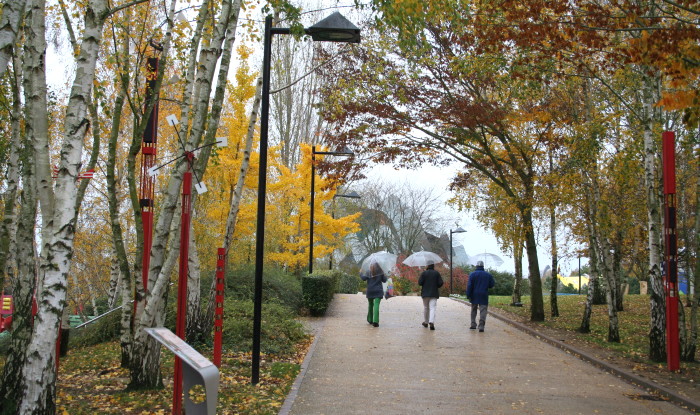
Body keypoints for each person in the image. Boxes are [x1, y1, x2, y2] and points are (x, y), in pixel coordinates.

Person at [466, 260, 496, 332]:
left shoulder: (472, 274)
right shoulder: (488, 275)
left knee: (473, 309)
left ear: (476, 266)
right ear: (483, 266)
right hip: (483, 294)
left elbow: (469, 286)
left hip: (474, 294)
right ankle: (481, 326)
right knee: (483, 310)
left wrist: (468, 294)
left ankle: (473, 324)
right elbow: (492, 285)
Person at [360, 262, 387, 327]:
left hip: (370, 290)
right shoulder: (381, 272)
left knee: (370, 304)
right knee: (376, 305)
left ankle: (370, 319)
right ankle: (375, 321)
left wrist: (360, 273)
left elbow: (363, 278)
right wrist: (385, 274)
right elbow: (384, 280)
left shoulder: (368, 272)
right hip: (378, 291)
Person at [418, 263, 444, 330]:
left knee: (426, 308)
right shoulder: (436, 273)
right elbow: (440, 283)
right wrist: (436, 286)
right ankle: (431, 321)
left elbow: (420, 283)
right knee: (432, 308)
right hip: (434, 293)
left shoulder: (424, 273)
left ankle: (426, 322)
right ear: (433, 266)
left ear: (427, 266)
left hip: (425, 293)